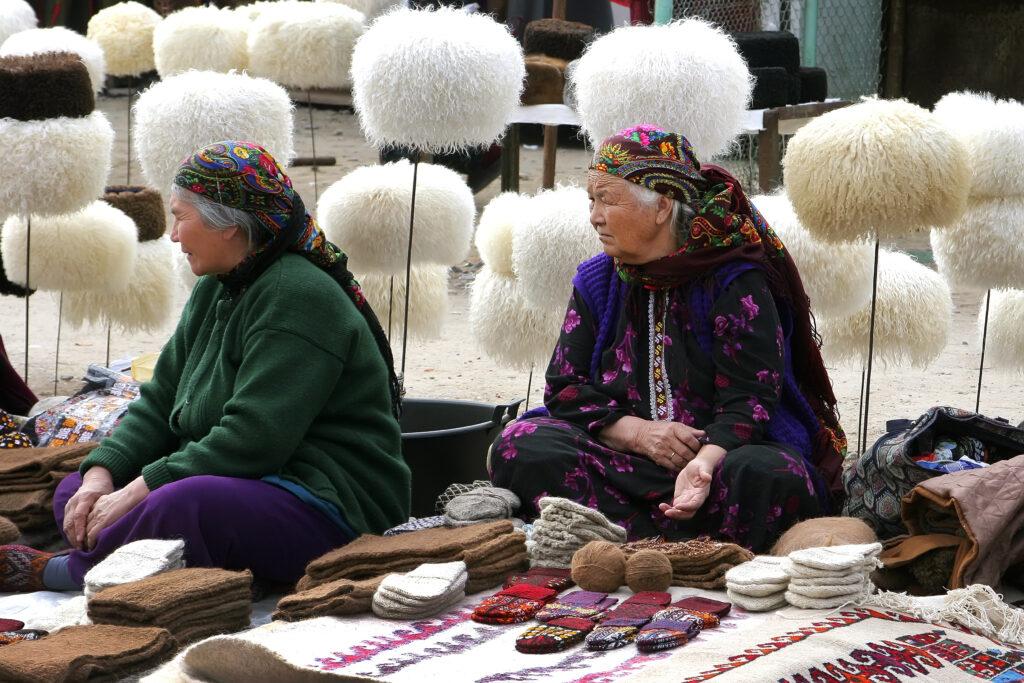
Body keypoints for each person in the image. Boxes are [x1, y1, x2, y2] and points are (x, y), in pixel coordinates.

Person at [0, 141, 410, 591]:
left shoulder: (297, 295)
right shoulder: (220, 284)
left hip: (328, 504)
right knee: (76, 491)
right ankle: (149, 557)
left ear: (229, 225)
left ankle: (67, 572)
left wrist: (143, 487)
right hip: (254, 479)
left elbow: (253, 440)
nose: (173, 235)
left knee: (183, 503)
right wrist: (104, 474)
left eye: (180, 216)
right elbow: (160, 400)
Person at [490, 125, 846, 552]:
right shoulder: (597, 280)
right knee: (518, 446)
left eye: (608, 199)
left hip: (717, 464)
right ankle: (692, 545)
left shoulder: (733, 280)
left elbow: (750, 401)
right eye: (592, 200)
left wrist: (704, 463)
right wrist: (637, 433)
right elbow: (564, 389)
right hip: (619, 460)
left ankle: (620, 537)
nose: (595, 216)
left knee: (773, 477)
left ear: (660, 207)